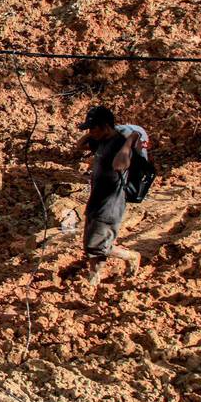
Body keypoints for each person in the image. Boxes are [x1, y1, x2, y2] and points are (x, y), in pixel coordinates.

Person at [76, 105, 142, 287]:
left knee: (96, 245)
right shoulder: (101, 140)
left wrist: (130, 141)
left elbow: (120, 165)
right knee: (91, 248)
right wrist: (93, 133)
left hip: (110, 205)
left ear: (104, 126)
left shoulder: (121, 143)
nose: (90, 132)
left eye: (93, 127)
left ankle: (131, 256)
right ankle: (93, 279)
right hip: (95, 201)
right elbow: (79, 146)